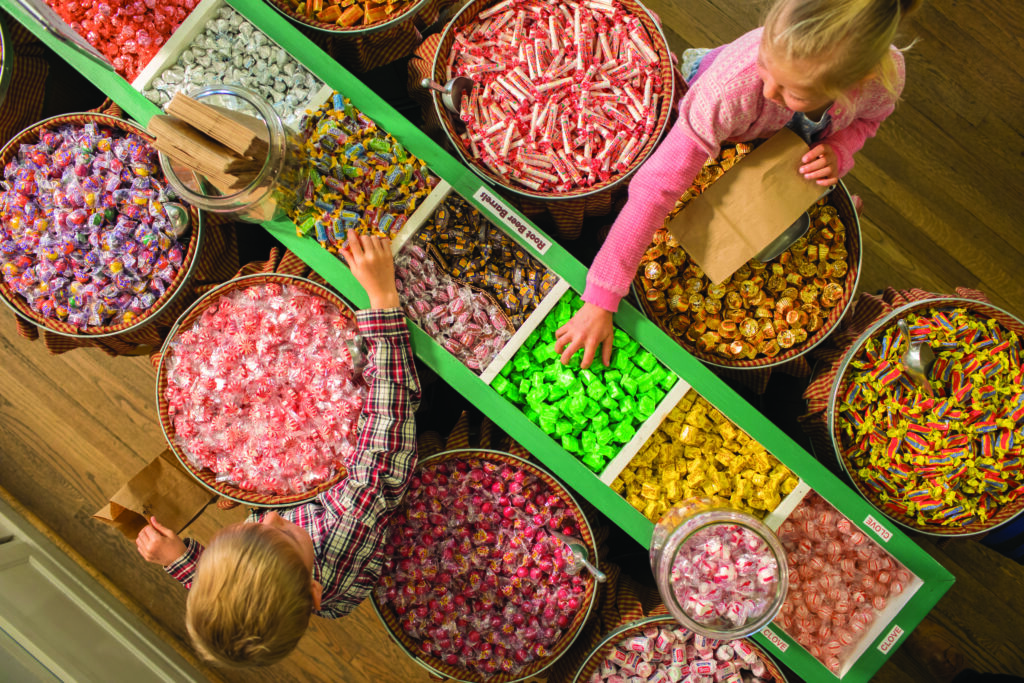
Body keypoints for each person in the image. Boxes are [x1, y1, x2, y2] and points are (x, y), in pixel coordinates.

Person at [555, 0, 921, 368]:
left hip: (789, 144)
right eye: (766, 63)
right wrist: (602, 296)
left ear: (852, 85)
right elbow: (656, 187)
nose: (769, 92)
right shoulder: (733, 91)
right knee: (704, 122)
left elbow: (867, 122)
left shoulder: (883, 80)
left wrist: (839, 150)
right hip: (722, 118)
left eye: (792, 91)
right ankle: (700, 62)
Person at [135, 230, 421, 668]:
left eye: (248, 528)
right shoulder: (348, 523)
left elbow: (226, 586)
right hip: (391, 458)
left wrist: (179, 560)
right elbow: (389, 419)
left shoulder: (272, 564)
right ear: (314, 593)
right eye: (283, 531)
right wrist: (382, 297)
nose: (269, 515)